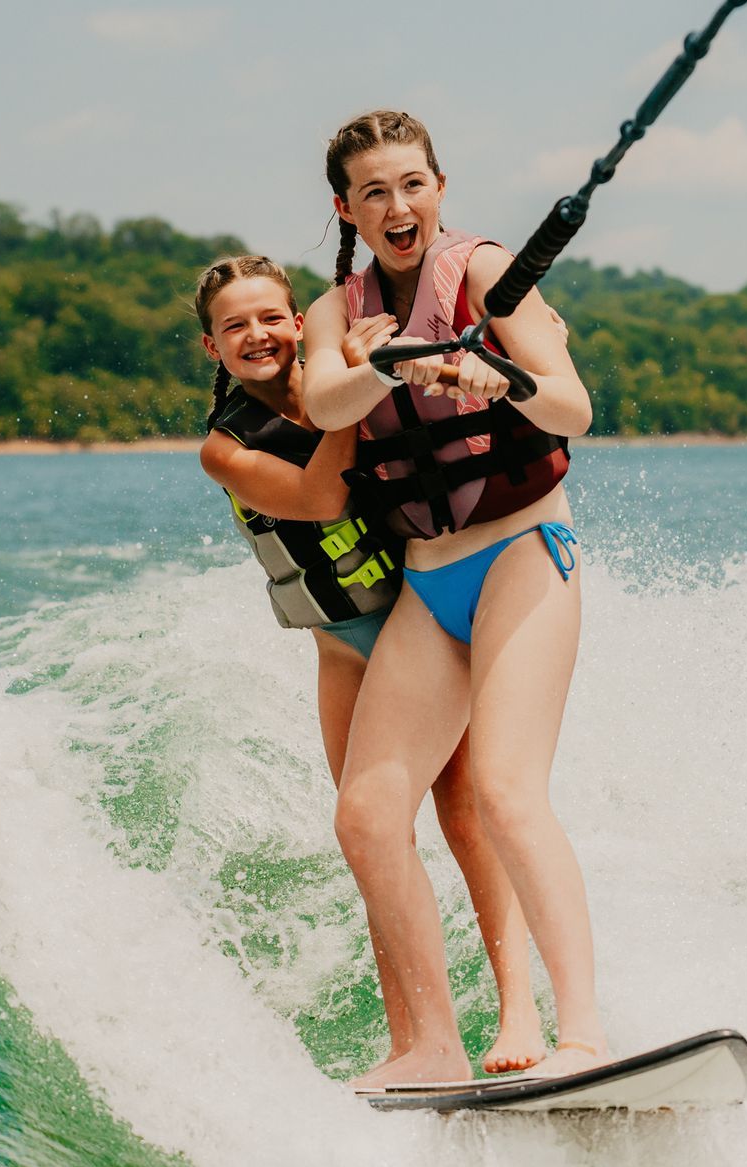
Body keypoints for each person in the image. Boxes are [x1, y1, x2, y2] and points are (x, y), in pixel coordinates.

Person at [300, 110, 604, 1087]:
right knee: (366, 815)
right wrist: (376, 359)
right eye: (375, 192)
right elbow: (323, 405)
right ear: (346, 208)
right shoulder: (333, 314)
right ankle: (430, 1046)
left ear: (440, 187)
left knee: (510, 794)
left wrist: (496, 375)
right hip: (432, 586)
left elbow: (572, 407)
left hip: (524, 551)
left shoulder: (483, 274)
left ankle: (584, 1035)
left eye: (413, 185)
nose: (399, 207)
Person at [193, 254, 546, 1080]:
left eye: (272, 317)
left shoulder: (352, 368)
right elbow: (321, 498)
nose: (258, 335)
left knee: (463, 816)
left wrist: (364, 372)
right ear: (212, 348)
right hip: (342, 649)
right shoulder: (224, 447)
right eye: (235, 326)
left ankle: (519, 1013)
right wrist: (352, 381)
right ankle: (413, 1043)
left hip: (420, 624)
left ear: (295, 320)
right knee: (374, 839)